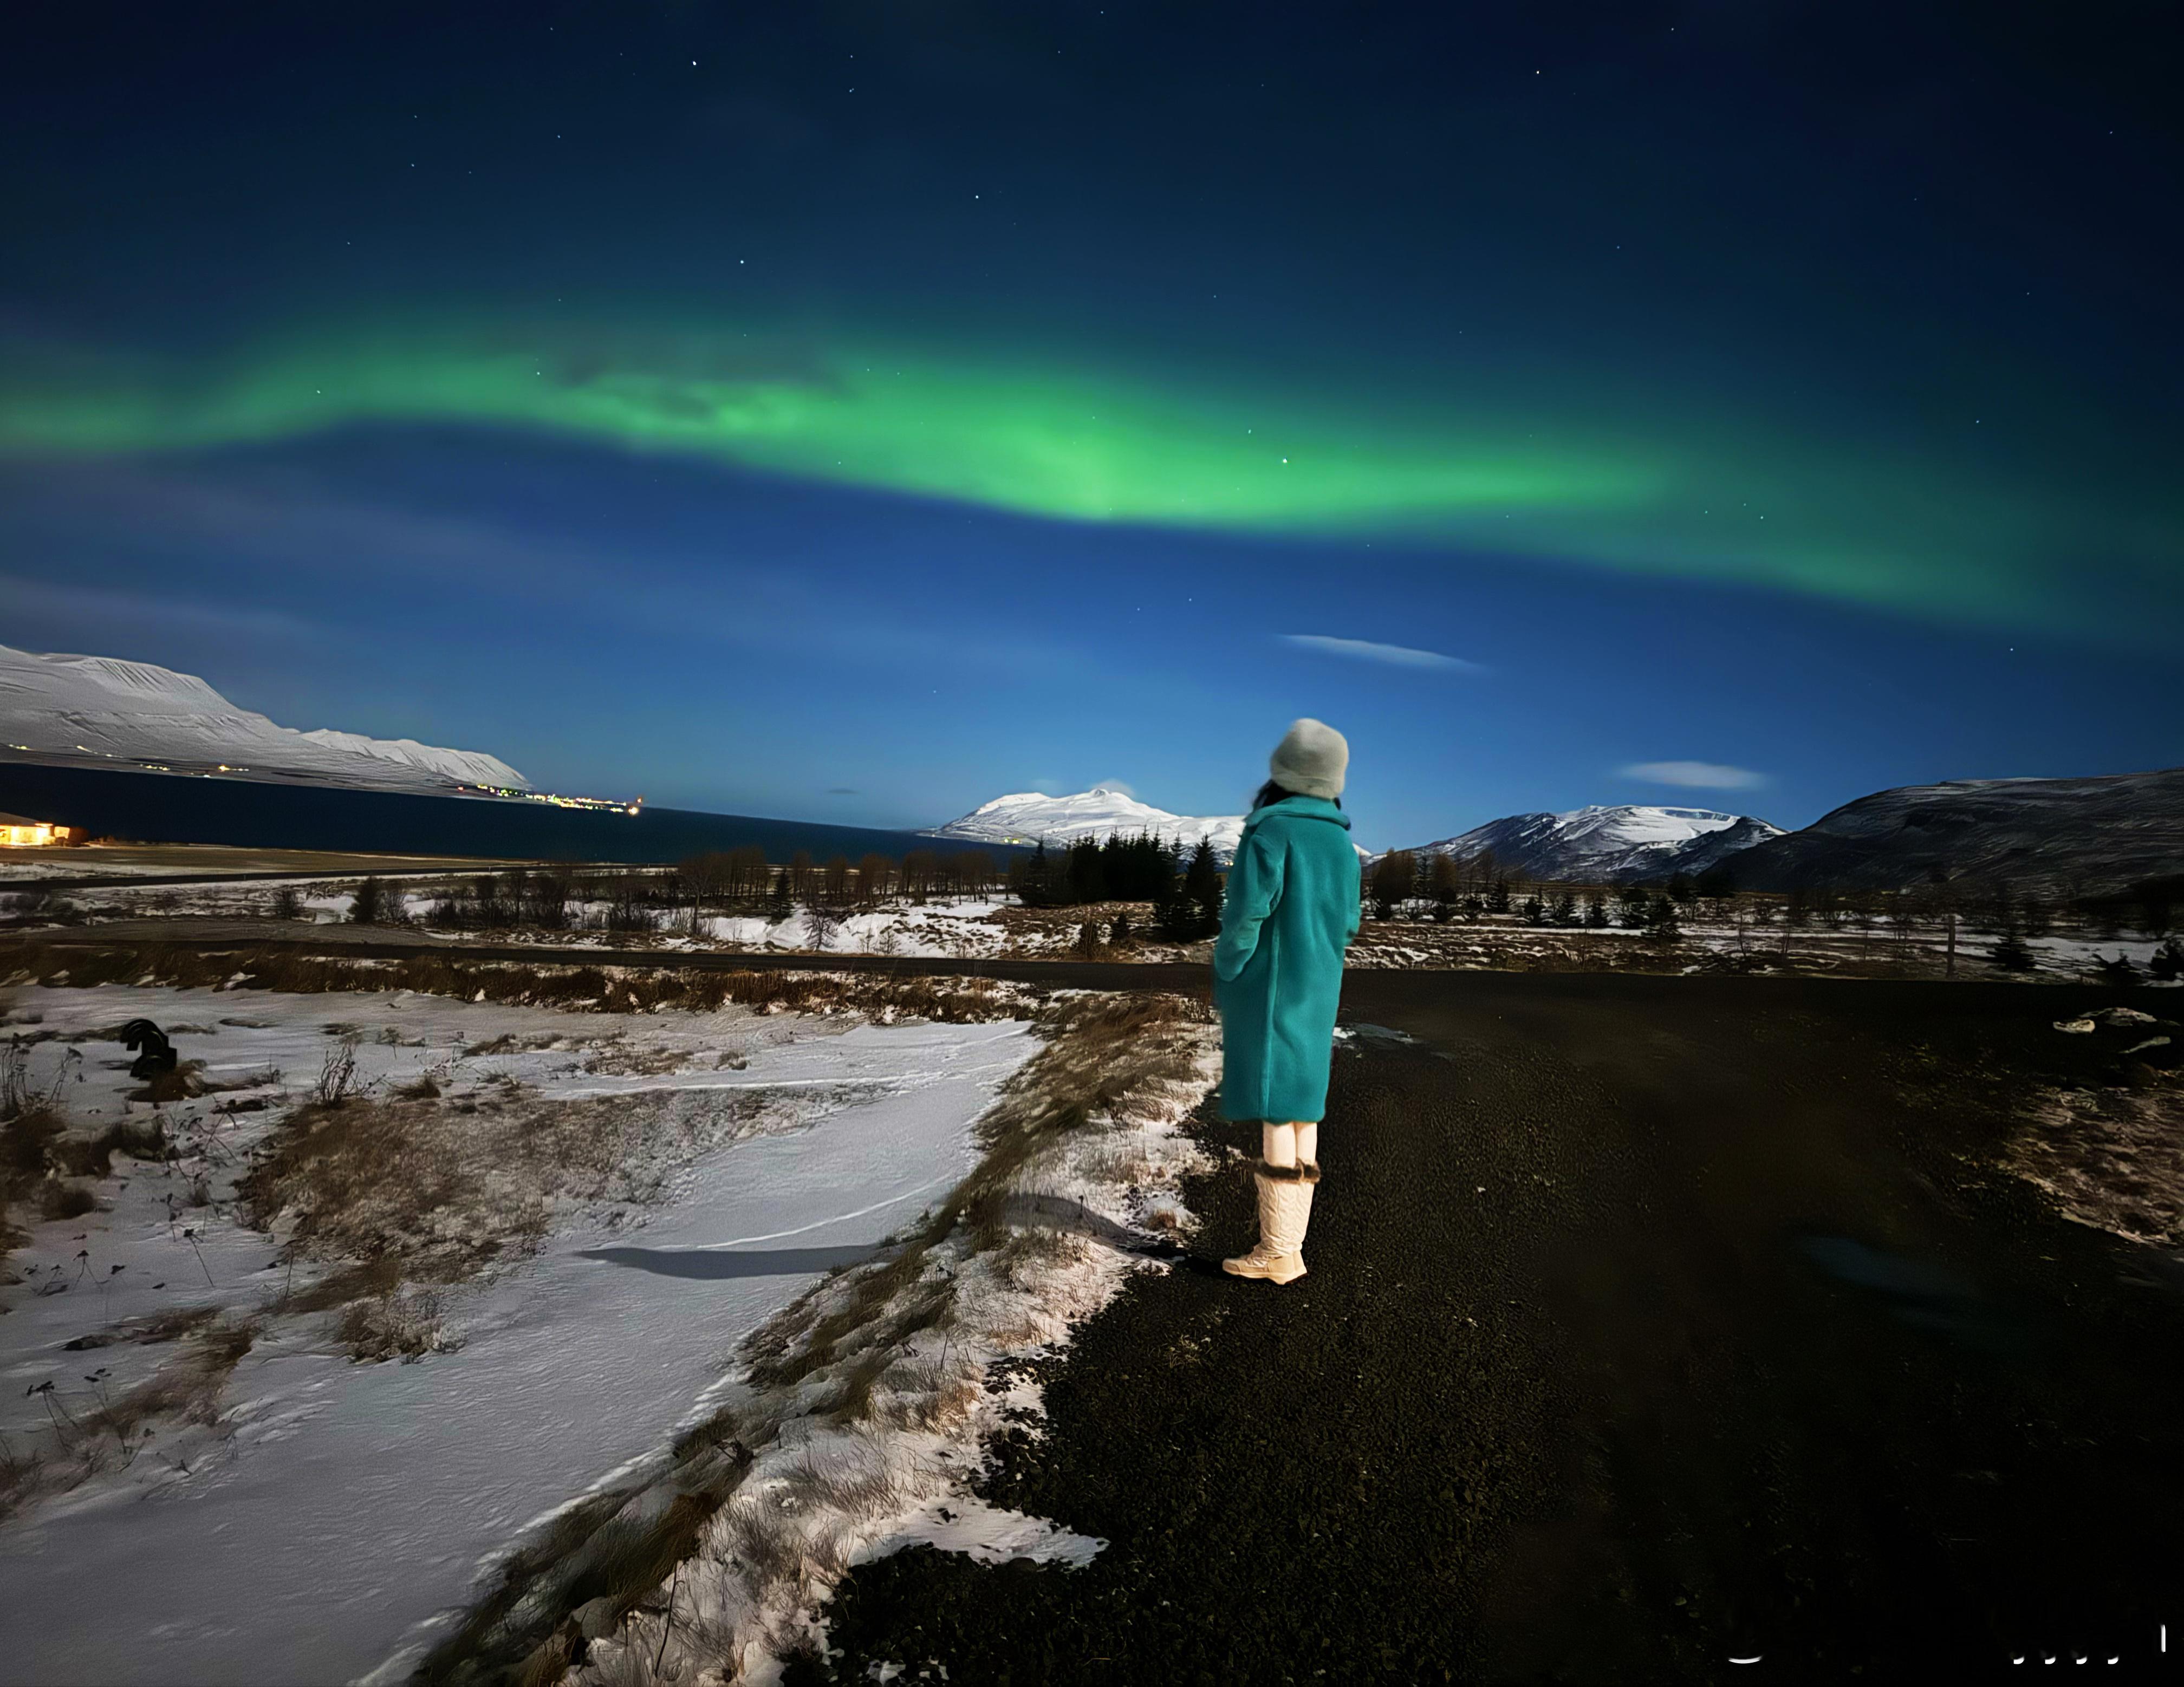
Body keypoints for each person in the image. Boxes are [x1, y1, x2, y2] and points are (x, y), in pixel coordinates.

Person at [1213, 718, 1362, 1284]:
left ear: (1283, 771)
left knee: (1277, 1112)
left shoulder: (1271, 832)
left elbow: (1246, 916)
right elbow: (1349, 923)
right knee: (1302, 1110)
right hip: (1319, 989)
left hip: (1272, 989)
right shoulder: (1342, 843)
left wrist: (1230, 969)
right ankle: (1290, 1249)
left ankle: (1276, 1251)